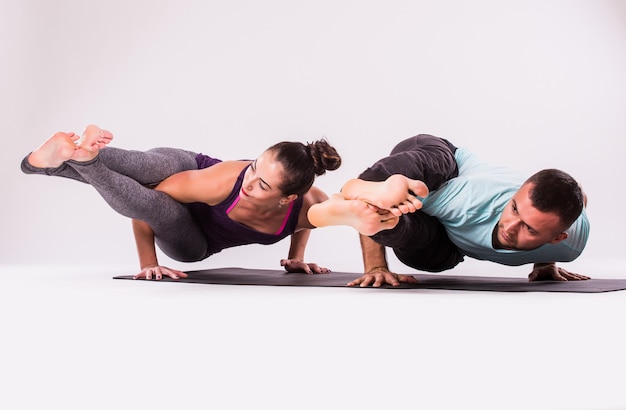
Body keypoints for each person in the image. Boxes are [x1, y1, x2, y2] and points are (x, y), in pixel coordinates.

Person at [21, 124, 353, 280]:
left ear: (289, 198)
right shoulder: (224, 180)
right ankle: (76, 155)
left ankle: (56, 161)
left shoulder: (310, 203)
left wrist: (296, 258)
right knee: (147, 170)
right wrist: (148, 262)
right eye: (252, 168)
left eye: (263, 184)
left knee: (158, 204)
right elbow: (147, 197)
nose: (248, 183)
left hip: (192, 241)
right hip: (192, 170)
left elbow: (307, 219)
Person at [308, 134, 590, 287]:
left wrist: (545, 263)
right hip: (446, 163)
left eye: (529, 228)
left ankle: (384, 223)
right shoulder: (468, 201)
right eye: (513, 209)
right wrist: (376, 267)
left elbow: (580, 198)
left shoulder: (572, 244)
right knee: (427, 171)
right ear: (516, 195)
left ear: (557, 238)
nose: (510, 226)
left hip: (449, 238)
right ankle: (360, 186)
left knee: (432, 258)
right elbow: (377, 201)